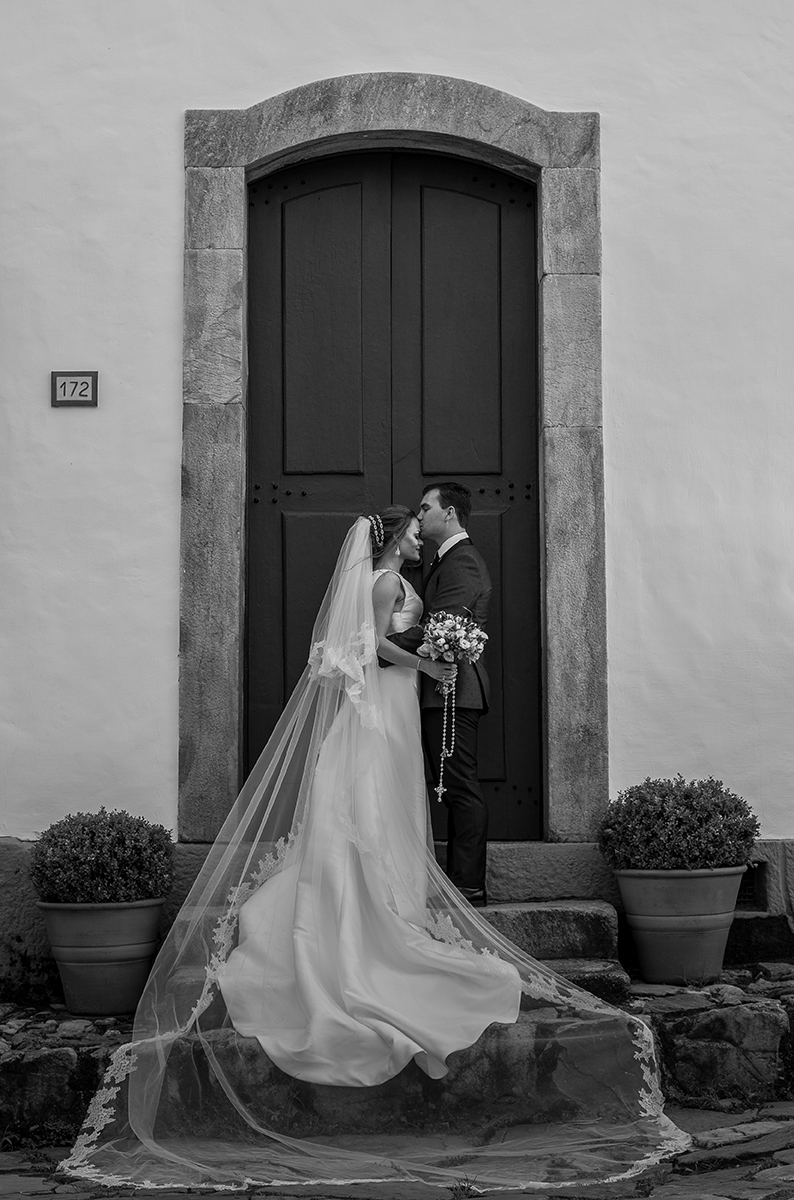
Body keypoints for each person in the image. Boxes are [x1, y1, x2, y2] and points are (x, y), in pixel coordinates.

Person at [60, 508, 688, 1193]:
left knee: (386, 804)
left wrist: (434, 653)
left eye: (425, 521)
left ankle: (385, 886)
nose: (420, 531)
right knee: (371, 802)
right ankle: (373, 902)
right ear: (393, 538)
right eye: (413, 526)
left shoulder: (394, 577)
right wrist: (423, 657)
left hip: (390, 706)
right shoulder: (388, 581)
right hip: (385, 703)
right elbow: (368, 646)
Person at [387, 482, 492, 905]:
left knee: (459, 786)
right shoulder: (445, 560)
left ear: (448, 514)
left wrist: (374, 648)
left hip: (454, 690)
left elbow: (439, 626)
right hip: (441, 688)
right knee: (451, 785)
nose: (420, 512)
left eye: (426, 507)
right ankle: (461, 882)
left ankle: (468, 886)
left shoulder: (462, 562)